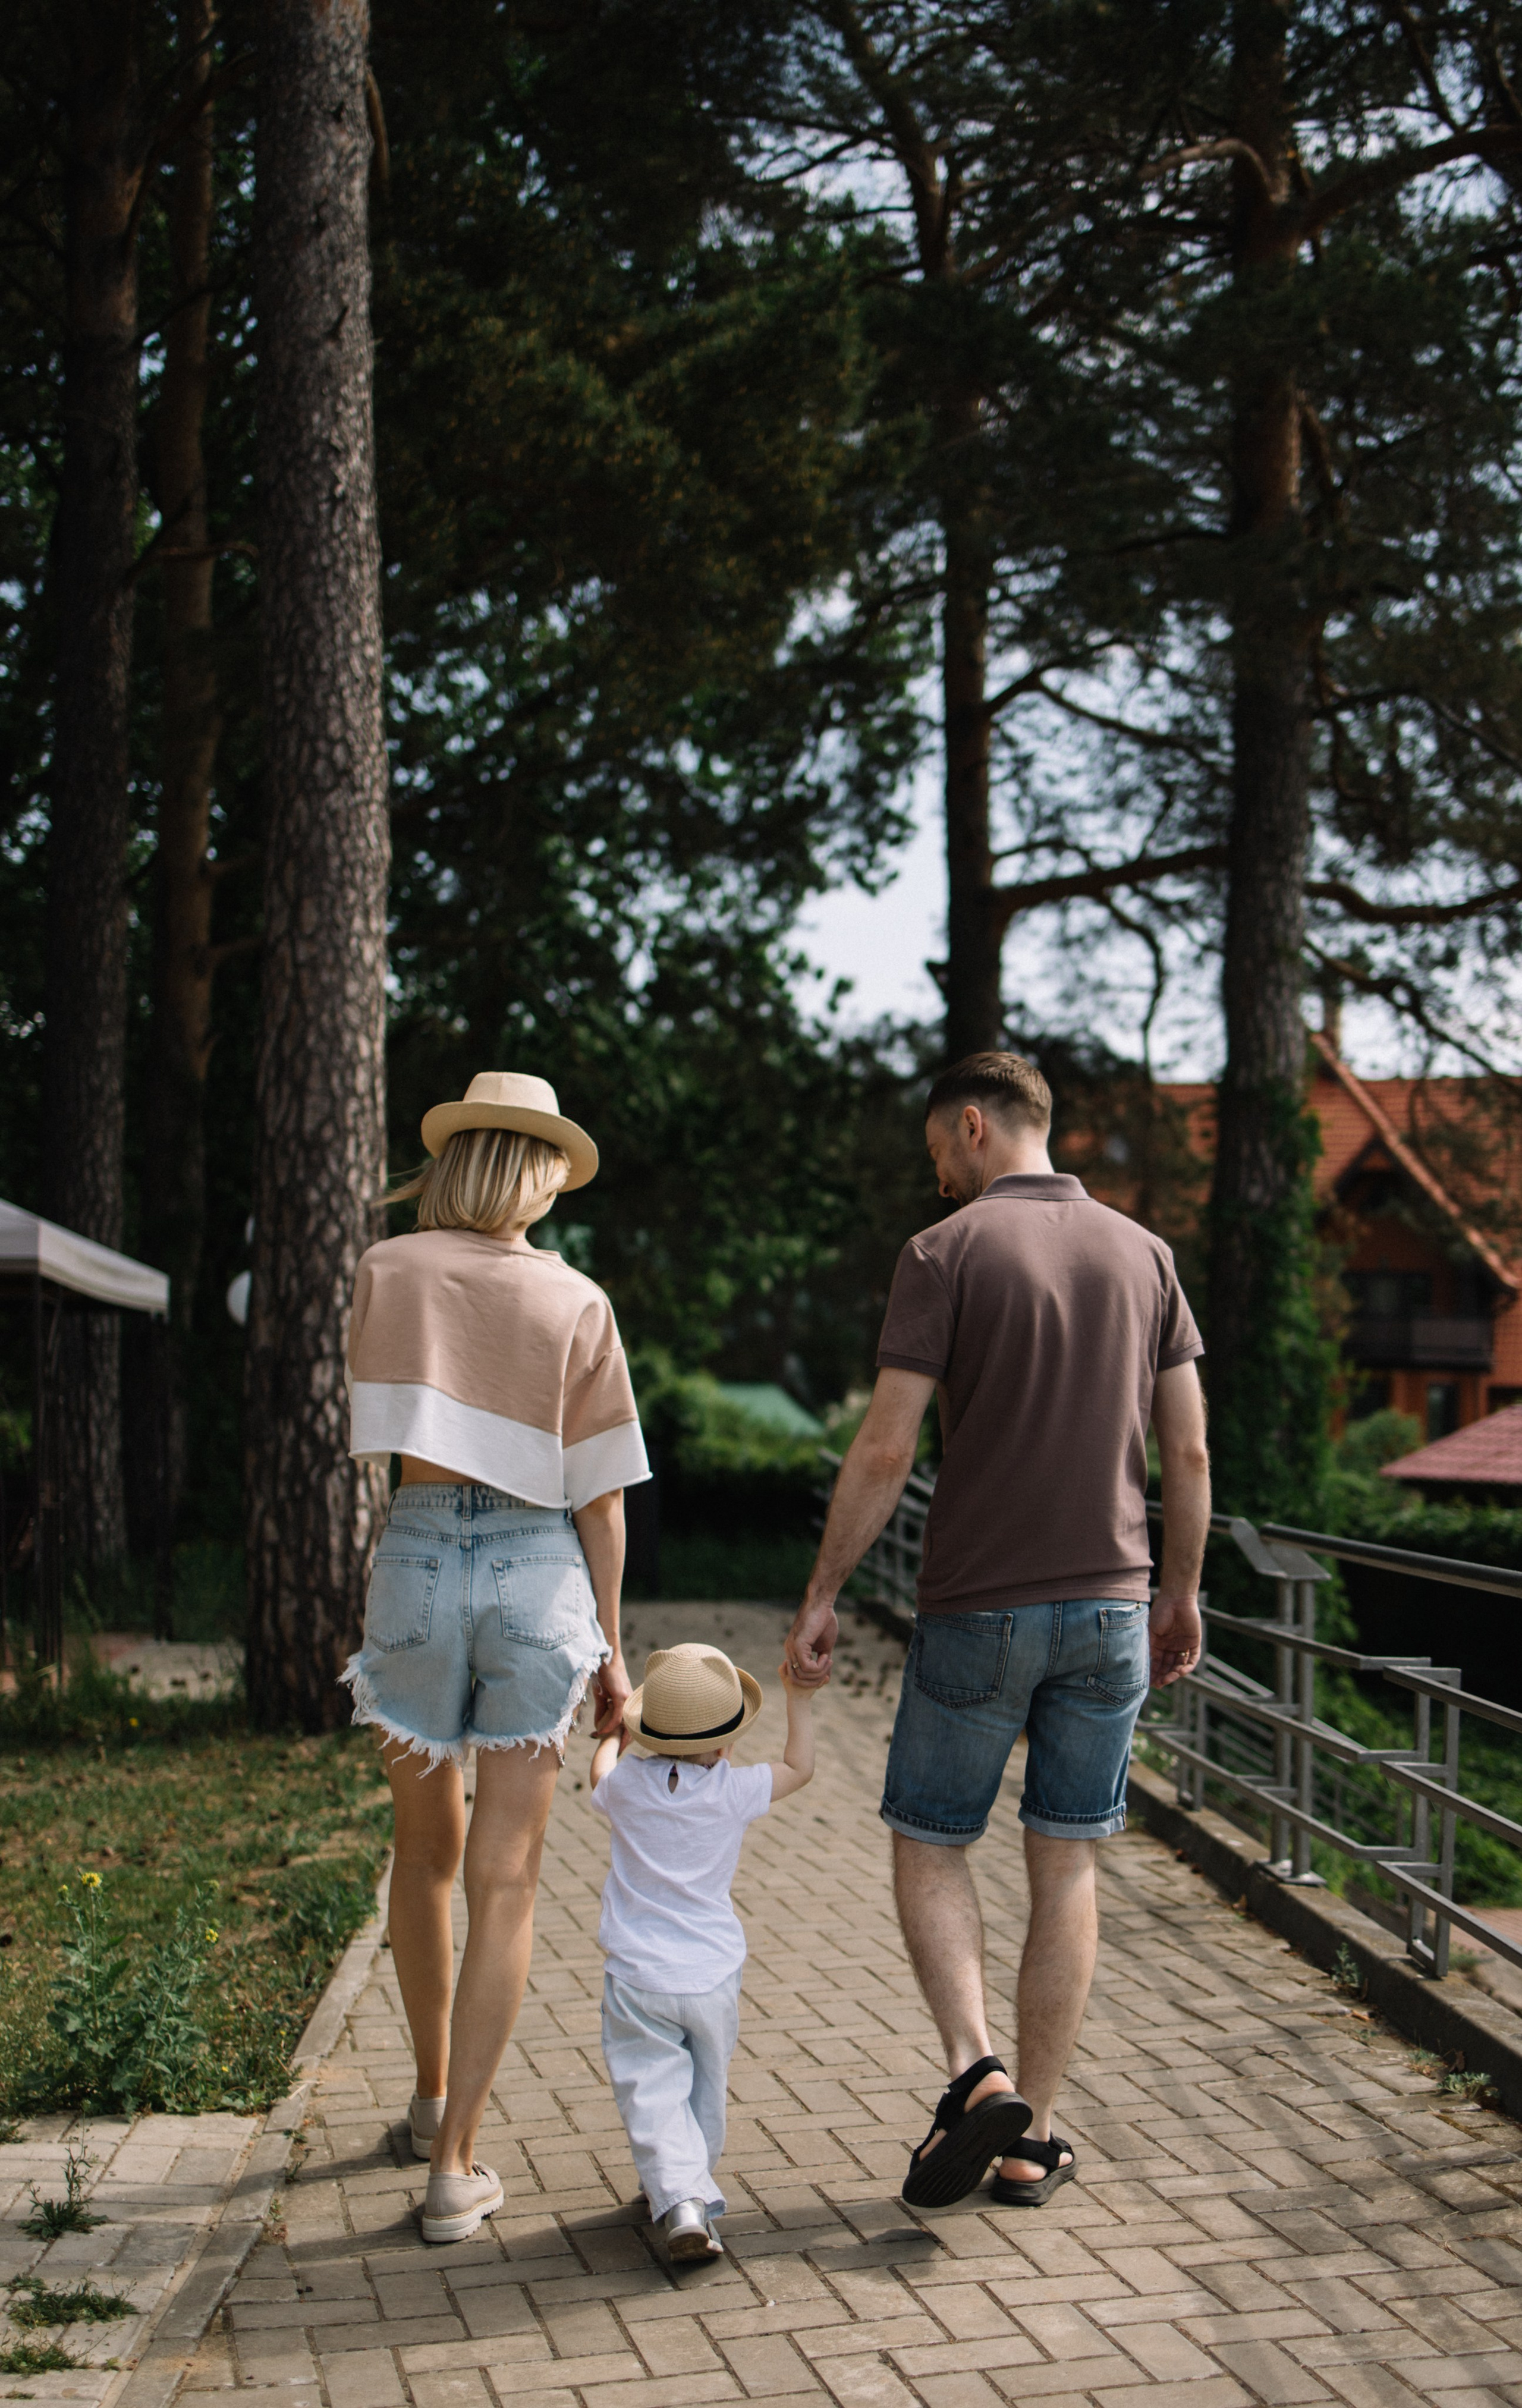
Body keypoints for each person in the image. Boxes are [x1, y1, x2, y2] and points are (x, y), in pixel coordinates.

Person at [784, 1050, 1210, 2212]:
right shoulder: (1146, 1256)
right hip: (1113, 1606)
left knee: (929, 1838)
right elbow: (1186, 1454)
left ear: (972, 1126)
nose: (937, 1184)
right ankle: (1033, 2140)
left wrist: (824, 1590)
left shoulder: (944, 1254)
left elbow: (884, 1447)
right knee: (1064, 1858)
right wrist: (1178, 1591)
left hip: (978, 1606)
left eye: (937, 1159)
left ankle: (975, 2077)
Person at [341, 1071, 650, 2245]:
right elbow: (603, 1503)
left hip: (415, 1557)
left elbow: (384, 1414)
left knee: (422, 1858)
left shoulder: (388, 1270)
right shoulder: (576, 1299)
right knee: (505, 1881)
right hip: (537, 1569)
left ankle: (424, 2103)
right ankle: (455, 2167)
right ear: (534, 1173)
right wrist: (613, 1662)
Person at [589, 1642, 816, 2261]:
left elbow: (600, 1775)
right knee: (704, 2091)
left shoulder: (628, 1788)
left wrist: (611, 1736)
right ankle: (687, 2189)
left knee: (651, 2088)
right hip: (712, 1974)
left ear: (646, 1730)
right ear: (727, 1742)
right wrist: (801, 1698)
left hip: (638, 1977)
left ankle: (679, 2195)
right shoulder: (733, 1790)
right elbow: (800, 1767)